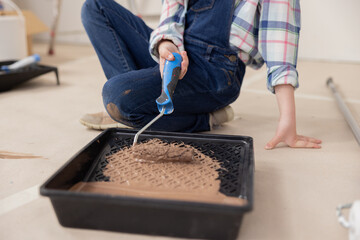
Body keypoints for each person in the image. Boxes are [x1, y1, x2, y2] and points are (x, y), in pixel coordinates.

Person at [80, 0, 322, 149]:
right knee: (95, 7)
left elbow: (280, 41)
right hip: (179, 54)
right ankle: (132, 107)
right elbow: (171, 14)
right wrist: (166, 46)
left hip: (216, 72)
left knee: (116, 94)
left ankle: (199, 119)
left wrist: (287, 119)